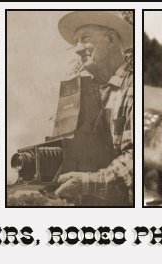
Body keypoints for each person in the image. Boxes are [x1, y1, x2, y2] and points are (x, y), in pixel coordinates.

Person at [53, 11, 134, 205]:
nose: (78, 49)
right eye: (76, 41)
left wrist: (88, 183)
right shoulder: (91, 92)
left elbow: (135, 161)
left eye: (85, 39)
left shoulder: (132, 87)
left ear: (112, 38)